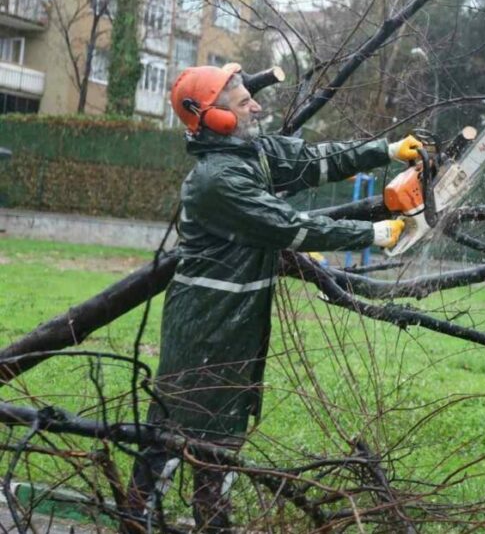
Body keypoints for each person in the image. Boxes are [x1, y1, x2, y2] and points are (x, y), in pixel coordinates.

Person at [124, 63, 421, 532]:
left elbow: (316, 160)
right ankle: (135, 519)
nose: (256, 106)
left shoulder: (252, 154)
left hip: (238, 323)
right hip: (205, 326)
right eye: (244, 103)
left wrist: (384, 150)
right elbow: (288, 226)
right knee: (173, 434)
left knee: (221, 439)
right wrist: (372, 233)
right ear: (217, 118)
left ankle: (211, 522)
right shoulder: (216, 179)